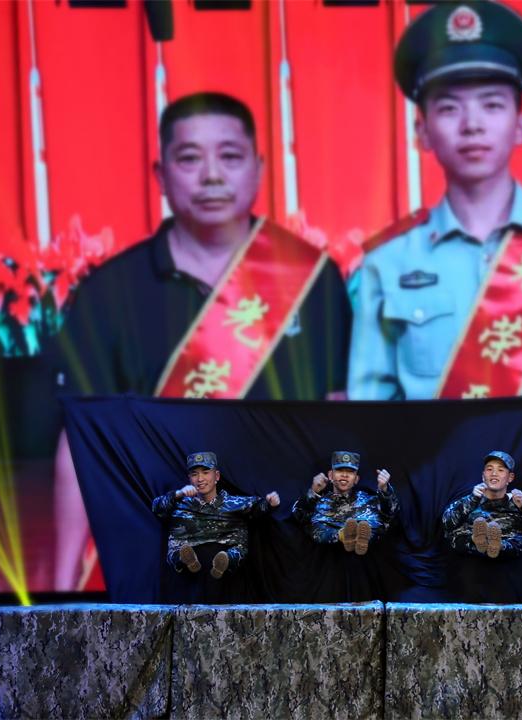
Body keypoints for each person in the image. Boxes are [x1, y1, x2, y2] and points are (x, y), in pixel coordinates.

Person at [51, 92, 351, 590]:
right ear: (161, 174)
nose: (212, 175)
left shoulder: (313, 281)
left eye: (229, 157)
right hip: (155, 541)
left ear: (258, 169)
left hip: (282, 542)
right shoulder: (110, 291)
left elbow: (336, 417)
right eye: (190, 158)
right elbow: (79, 441)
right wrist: (61, 590)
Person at [348, 0, 522, 400]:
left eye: (492, 105)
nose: (472, 125)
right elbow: (369, 411)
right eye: (449, 108)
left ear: (521, 126)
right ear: (423, 133)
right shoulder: (388, 261)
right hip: (431, 446)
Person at [151, 451, 280, 579]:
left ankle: (225, 561)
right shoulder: (180, 502)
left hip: (228, 559)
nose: (200, 479)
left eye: (205, 472)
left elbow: (258, 507)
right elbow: (156, 508)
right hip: (186, 560)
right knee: (176, 552)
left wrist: (270, 503)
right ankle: (184, 559)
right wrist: (178, 493)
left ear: (217, 476)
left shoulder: (233, 503)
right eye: (194, 474)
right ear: (189, 478)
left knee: (238, 551)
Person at [291, 451, 399, 556]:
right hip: (331, 540)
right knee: (317, 526)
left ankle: (361, 538)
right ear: (330, 475)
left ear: (356, 479)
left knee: (373, 523)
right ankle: (344, 535)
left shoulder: (368, 499)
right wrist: (314, 492)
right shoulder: (320, 500)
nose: (344, 475)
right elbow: (298, 514)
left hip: (368, 545)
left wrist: (384, 489)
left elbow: (391, 513)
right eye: (339, 470)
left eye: (350, 472)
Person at [442, 450, 522, 559]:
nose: (494, 473)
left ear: (510, 477)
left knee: (521, 538)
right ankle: (476, 540)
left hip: (504, 550)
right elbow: (446, 523)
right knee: (459, 534)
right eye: (489, 469)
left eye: (500, 470)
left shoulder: (516, 501)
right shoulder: (471, 498)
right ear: (483, 476)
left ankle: (497, 546)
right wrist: (472, 499)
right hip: (469, 550)